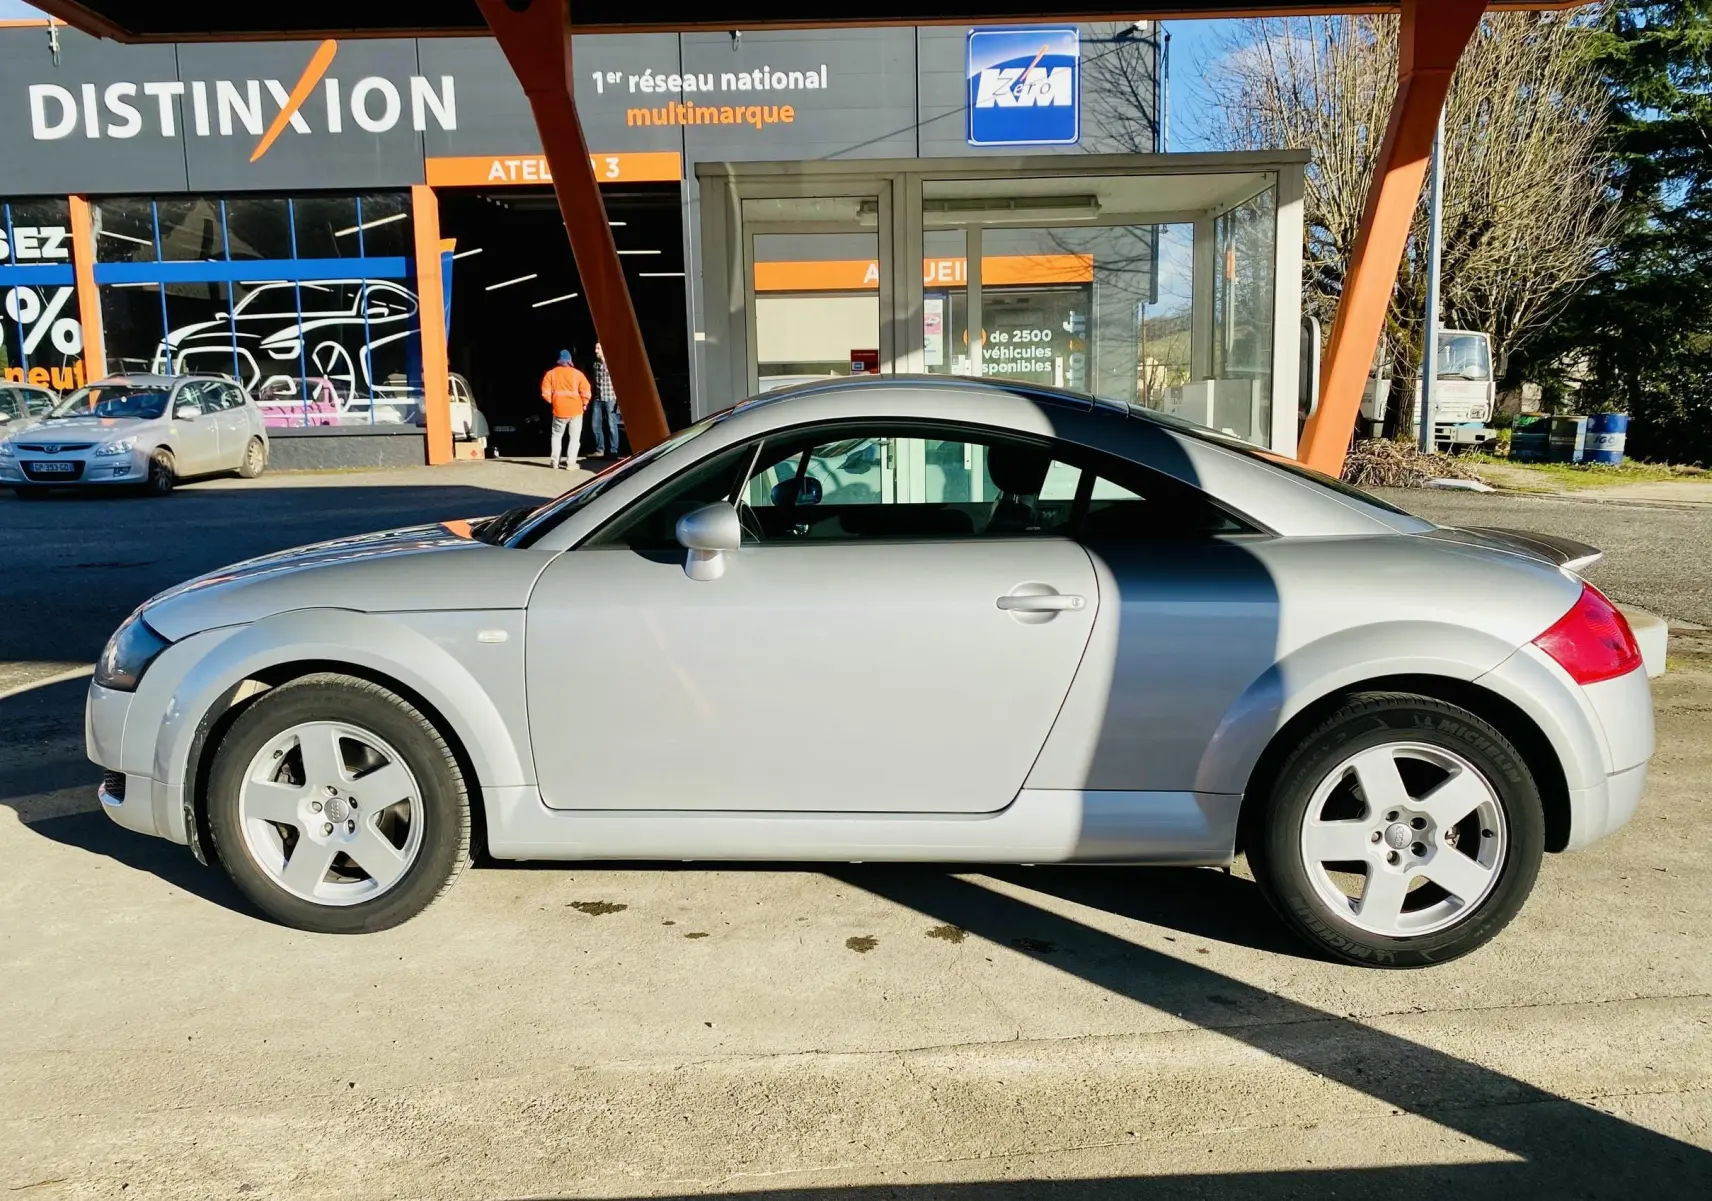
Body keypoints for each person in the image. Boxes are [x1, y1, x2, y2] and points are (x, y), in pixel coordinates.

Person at [539, 348, 591, 470]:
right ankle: (571, 463)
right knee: (574, 438)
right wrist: (584, 402)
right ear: (569, 361)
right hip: (576, 410)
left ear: (559, 360)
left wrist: (552, 401)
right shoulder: (578, 374)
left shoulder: (550, 374)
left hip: (559, 410)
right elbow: (586, 390)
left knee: (556, 436)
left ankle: (554, 462)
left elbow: (545, 392)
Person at [589, 341, 621, 458]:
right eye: (595, 348)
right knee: (595, 424)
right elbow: (594, 381)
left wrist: (618, 399)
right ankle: (600, 450)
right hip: (598, 398)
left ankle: (613, 451)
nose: (595, 351)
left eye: (598, 348)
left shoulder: (612, 364)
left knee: (612, 425)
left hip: (610, 397)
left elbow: (618, 381)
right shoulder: (596, 364)